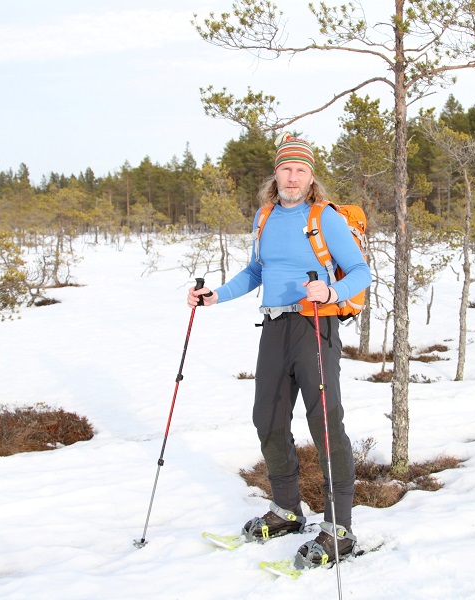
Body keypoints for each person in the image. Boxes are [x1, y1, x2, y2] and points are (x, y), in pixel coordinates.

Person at [187, 134, 372, 565]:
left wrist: (331, 290)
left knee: (324, 422)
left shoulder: (324, 218)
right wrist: (217, 295)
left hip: (315, 325)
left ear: (311, 178)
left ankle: (339, 527)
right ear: (276, 173)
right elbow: (256, 270)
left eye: (301, 170)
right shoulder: (265, 216)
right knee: (266, 417)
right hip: (274, 326)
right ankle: (288, 510)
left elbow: (361, 272)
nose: (292, 177)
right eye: (286, 169)